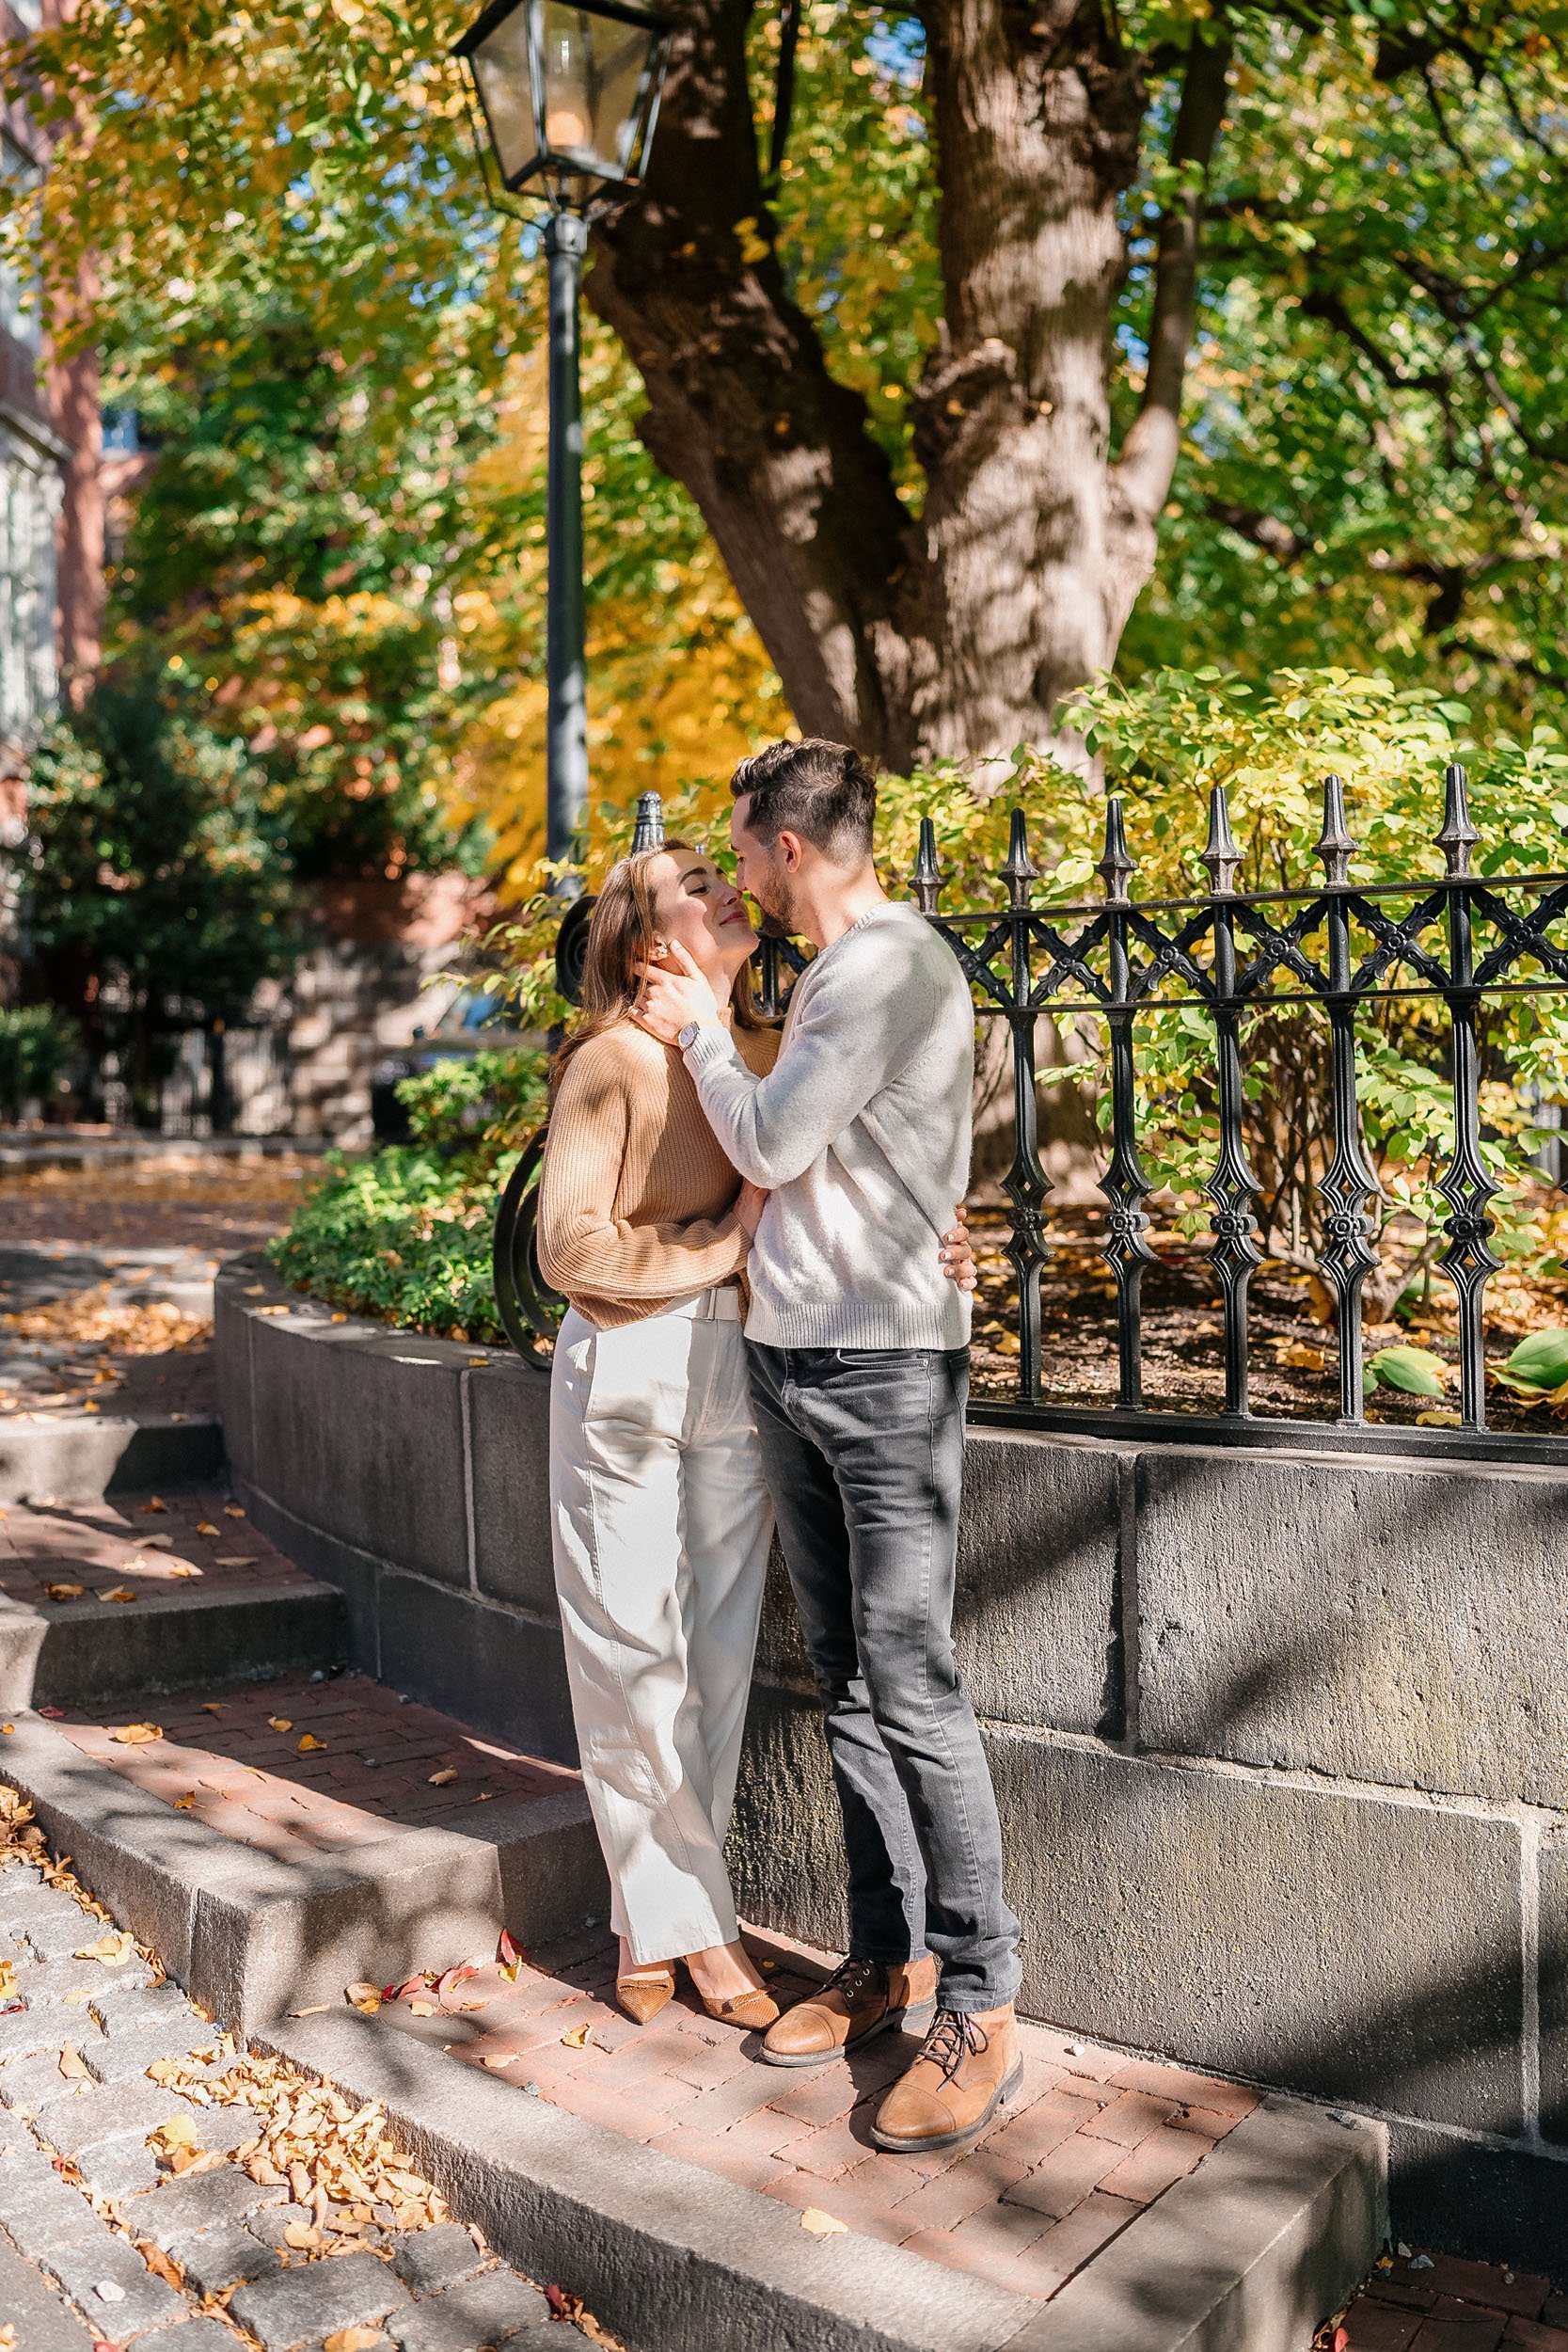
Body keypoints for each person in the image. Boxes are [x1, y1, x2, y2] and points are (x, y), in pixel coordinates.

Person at [638, 739, 1022, 2158]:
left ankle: (979, 1997)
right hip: (790, 1351)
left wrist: (689, 1023)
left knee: (911, 1678)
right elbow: (858, 1160)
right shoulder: (834, 979)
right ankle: (885, 1960)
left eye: (740, 850)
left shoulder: (882, 969)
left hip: (882, 1367)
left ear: (784, 849)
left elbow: (776, 1143)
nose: (734, 873)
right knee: (850, 1678)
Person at [535, 837, 974, 2033]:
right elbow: (568, 1252)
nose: (731, 893)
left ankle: (645, 1914)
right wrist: (718, 1248)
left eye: (726, 876)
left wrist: (944, 1234)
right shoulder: (609, 1065)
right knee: (630, 1646)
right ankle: (702, 1927)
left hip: (733, 1364)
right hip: (626, 1357)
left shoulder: (760, 1055)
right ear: (647, 943)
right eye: (699, 886)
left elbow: (861, 1176)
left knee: (717, 1653)